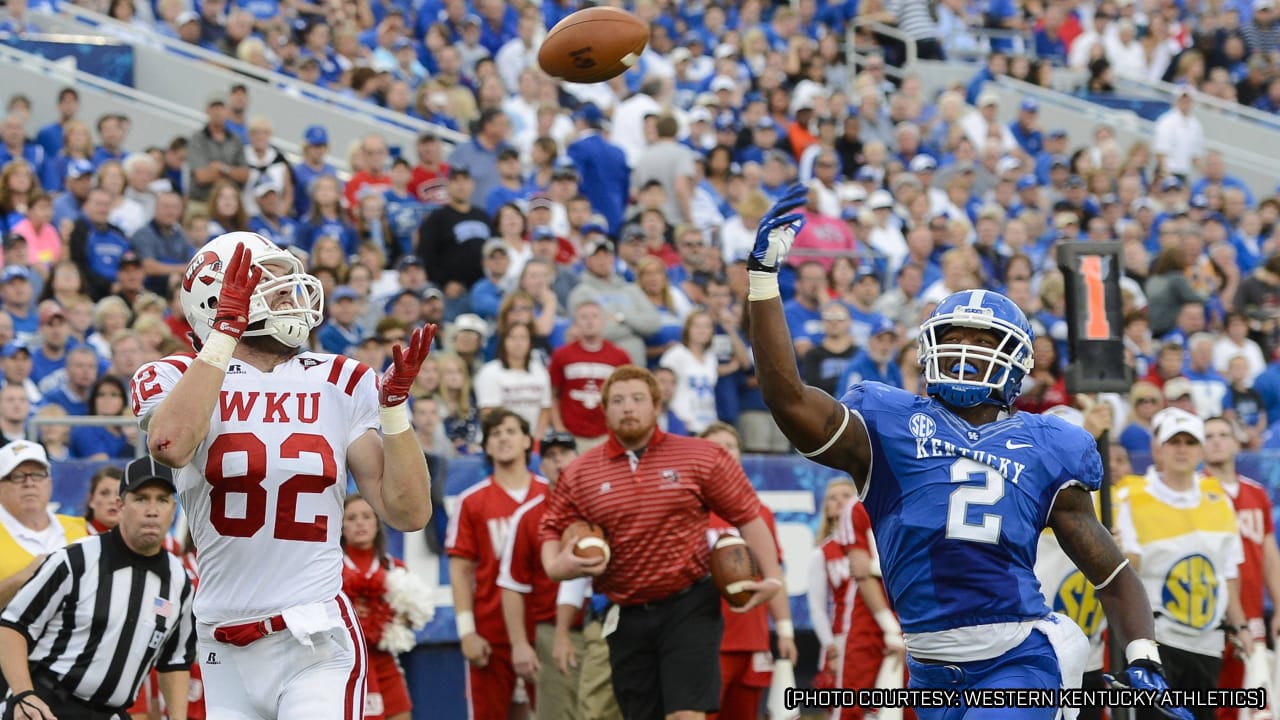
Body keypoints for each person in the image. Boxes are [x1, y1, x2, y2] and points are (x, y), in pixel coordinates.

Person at [743, 183, 1192, 719]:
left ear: (1015, 361)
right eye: (955, 335)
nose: (965, 350)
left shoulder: (1046, 442)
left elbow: (1110, 571)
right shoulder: (889, 424)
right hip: (930, 669)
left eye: (982, 341)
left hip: (1018, 658)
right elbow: (786, 398)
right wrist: (763, 281)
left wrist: (1143, 654)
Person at [132, 231, 435, 719]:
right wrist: (223, 338)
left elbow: (409, 511)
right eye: (268, 282)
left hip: (313, 636)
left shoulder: (340, 378)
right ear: (217, 297)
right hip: (221, 642)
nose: (288, 292)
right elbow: (170, 445)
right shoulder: (173, 375)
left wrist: (395, 412)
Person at [539, 365, 784, 720]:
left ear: (656, 406)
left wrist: (773, 576)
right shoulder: (580, 472)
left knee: (686, 714)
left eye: (638, 399)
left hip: (689, 604)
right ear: (604, 410)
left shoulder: (700, 456)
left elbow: (748, 514)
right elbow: (551, 527)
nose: (628, 407)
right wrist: (557, 565)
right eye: (618, 400)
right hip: (625, 609)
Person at [0, 455, 195, 720]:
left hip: (111, 713)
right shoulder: (75, 559)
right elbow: (12, 626)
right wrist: (24, 695)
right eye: (141, 499)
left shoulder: (179, 581)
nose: (152, 510)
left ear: (173, 509)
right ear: (120, 505)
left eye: (161, 500)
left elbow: (174, 661)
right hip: (48, 705)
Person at [1121, 409, 1249, 720]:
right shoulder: (1130, 498)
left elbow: (1228, 574)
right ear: (1158, 449)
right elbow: (1125, 574)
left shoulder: (1218, 499)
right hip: (1157, 640)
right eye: (1173, 441)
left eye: (1190, 442)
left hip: (1207, 643)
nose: (1182, 449)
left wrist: (1242, 626)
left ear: (1201, 449)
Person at [447, 408, 547, 720]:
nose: (503, 438)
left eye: (510, 431)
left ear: (528, 440)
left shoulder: (553, 495)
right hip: (491, 633)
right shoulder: (472, 501)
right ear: (487, 446)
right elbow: (461, 570)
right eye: (495, 434)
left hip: (545, 627)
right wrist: (467, 632)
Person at [699, 422, 797, 720]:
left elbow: (774, 574)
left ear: (741, 456)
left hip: (752, 639)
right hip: (705, 639)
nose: (723, 453)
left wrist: (785, 630)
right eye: (714, 448)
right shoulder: (688, 509)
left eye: (729, 446)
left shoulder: (758, 512)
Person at [1198, 416, 1280, 720]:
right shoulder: (1194, 493)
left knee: (1253, 703)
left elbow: (1269, 553)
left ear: (1236, 442)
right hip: (1207, 615)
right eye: (1208, 436)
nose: (1216, 440)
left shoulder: (1257, 493)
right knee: (1211, 700)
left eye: (1223, 434)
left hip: (1252, 612)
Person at [498, 429, 581, 720]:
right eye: (550, 456)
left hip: (606, 624)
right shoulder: (529, 515)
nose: (559, 461)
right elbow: (512, 585)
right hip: (551, 629)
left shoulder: (602, 503)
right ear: (540, 465)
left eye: (565, 453)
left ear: (578, 457)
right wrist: (520, 645)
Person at [340, 494, 415, 720]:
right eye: (351, 518)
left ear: (377, 524)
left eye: (366, 516)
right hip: (349, 665)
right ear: (341, 527)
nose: (360, 523)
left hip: (386, 661)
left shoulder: (395, 568)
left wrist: (395, 620)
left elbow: (410, 620)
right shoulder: (331, 569)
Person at [0, 440, 87, 609]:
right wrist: (25, 577)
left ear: (49, 482)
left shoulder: (78, 528)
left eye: (38, 475)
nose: (29, 483)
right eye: (18, 476)